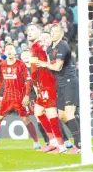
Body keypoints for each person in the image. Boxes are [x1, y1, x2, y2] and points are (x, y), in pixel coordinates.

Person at [37, 24, 81, 154]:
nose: (53, 33)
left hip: (69, 81)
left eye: (56, 32)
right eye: (52, 31)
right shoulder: (51, 49)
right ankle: (79, 135)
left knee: (69, 114)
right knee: (62, 116)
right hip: (61, 84)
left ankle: (78, 144)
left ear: (61, 34)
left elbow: (57, 67)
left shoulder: (62, 45)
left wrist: (44, 64)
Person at [28, 24, 66, 153]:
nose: (29, 32)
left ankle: (61, 145)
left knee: (51, 114)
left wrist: (35, 82)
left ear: (39, 32)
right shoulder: (37, 46)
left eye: (33, 29)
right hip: (42, 84)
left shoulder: (38, 46)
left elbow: (34, 70)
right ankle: (53, 141)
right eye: (28, 30)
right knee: (38, 112)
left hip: (47, 83)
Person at [0, 44, 40, 149]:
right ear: (5, 52)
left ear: (15, 51)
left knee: (25, 119)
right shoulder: (2, 65)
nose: (9, 51)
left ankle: (36, 142)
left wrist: (27, 95)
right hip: (7, 97)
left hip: (19, 97)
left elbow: (28, 80)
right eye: (7, 49)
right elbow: (1, 80)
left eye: (11, 49)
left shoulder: (21, 65)